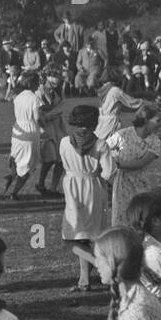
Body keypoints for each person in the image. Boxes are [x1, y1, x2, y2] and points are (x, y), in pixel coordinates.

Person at [59, 105, 108, 291]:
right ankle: (86, 279)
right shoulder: (101, 144)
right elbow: (109, 171)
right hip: (94, 187)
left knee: (74, 238)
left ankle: (94, 272)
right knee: (90, 235)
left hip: (72, 187)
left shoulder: (64, 142)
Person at [104, 106, 161, 228]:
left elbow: (140, 163)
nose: (160, 124)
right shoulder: (123, 134)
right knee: (122, 219)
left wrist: (118, 164)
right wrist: (110, 165)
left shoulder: (155, 141)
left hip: (142, 183)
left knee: (142, 219)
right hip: (122, 184)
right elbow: (103, 149)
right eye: (158, 120)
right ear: (146, 120)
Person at [3, 71, 41, 200]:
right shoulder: (34, 98)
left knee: (17, 159)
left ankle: (10, 177)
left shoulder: (17, 96)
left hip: (17, 130)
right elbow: (37, 118)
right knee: (28, 166)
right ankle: (14, 192)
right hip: (30, 132)